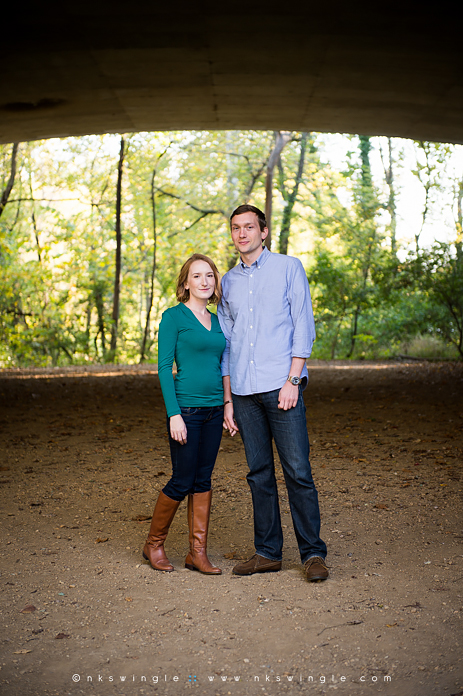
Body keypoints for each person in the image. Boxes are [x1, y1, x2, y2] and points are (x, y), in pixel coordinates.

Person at [218, 205, 328, 582]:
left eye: (249, 227)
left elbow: (304, 324)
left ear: (264, 232)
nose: (242, 233)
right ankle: (267, 552)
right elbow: (227, 344)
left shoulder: (288, 267)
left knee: (297, 471)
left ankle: (312, 554)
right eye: (236, 228)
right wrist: (229, 399)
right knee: (258, 474)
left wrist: (293, 380)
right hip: (245, 394)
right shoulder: (227, 282)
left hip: (283, 387)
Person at [143, 253, 235, 575]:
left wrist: (227, 405)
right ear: (186, 283)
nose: (205, 281)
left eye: (209, 275)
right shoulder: (173, 317)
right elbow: (164, 369)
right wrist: (174, 414)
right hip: (186, 410)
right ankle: (154, 544)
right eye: (197, 276)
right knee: (182, 480)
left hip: (213, 411)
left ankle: (197, 553)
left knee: (203, 479)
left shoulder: (218, 320)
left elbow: (223, 365)